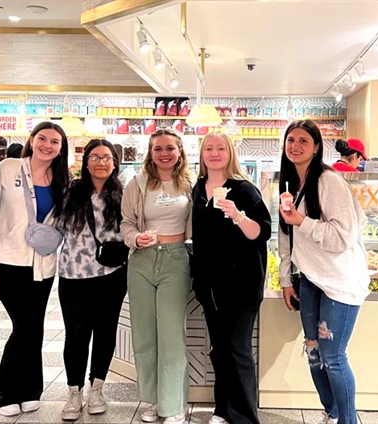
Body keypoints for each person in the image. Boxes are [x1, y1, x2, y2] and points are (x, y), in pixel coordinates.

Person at [278, 120, 369, 424]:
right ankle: (332, 413)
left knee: (333, 357)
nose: (295, 146)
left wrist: (302, 221)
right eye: (291, 140)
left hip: (339, 282)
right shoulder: (293, 184)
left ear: (316, 147)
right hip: (310, 281)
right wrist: (286, 279)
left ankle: (348, 420)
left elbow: (342, 237)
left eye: (304, 140)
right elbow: (285, 235)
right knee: (315, 355)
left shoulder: (329, 181)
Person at [191, 132, 272, 424]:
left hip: (242, 286)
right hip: (211, 287)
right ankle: (223, 409)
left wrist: (238, 216)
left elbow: (261, 232)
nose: (214, 153)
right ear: (202, 155)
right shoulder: (198, 189)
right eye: (208, 148)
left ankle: (245, 417)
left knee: (237, 350)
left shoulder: (243, 190)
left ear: (230, 153)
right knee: (220, 349)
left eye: (220, 148)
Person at [0, 122, 70, 417]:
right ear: (32, 140)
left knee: (33, 326)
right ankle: (5, 393)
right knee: (22, 326)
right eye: (42, 139)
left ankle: (30, 390)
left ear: (61, 149)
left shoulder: (62, 180)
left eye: (55, 142)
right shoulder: (8, 167)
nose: (47, 145)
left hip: (42, 264)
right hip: (7, 259)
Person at [121, 128, 193, 424]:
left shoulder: (190, 184)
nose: (164, 153)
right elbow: (126, 222)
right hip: (141, 262)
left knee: (172, 335)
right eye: (158, 149)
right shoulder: (136, 184)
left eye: (170, 148)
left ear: (179, 152)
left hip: (176, 260)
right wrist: (135, 239)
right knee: (144, 335)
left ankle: (173, 403)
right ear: (150, 153)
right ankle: (150, 400)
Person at [57, 139, 127, 421]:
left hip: (112, 274)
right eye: (95, 157)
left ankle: (97, 388)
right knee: (76, 335)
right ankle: (74, 392)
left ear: (114, 162)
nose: (101, 162)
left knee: (105, 333)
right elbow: (53, 227)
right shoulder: (70, 191)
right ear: (86, 162)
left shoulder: (124, 193)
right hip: (73, 274)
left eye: (107, 157)